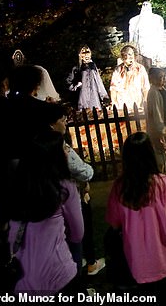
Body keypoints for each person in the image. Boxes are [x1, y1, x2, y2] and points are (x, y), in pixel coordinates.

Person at [105, 132, 166, 301]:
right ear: (150, 154)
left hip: (135, 260)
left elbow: (114, 224)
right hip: (163, 259)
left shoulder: (120, 187)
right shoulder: (163, 182)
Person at [4, 131, 85, 294]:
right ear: (54, 156)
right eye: (64, 148)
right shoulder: (63, 188)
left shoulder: (17, 188)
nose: (68, 151)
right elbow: (77, 234)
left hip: (22, 279)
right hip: (59, 275)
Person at [44, 103, 105, 277]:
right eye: (63, 120)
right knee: (76, 237)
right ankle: (84, 268)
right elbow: (83, 170)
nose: (66, 124)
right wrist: (85, 178)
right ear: (52, 124)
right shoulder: (60, 147)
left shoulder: (38, 145)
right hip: (70, 199)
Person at [146, 67, 166, 173]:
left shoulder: (162, 90)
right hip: (160, 132)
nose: (164, 79)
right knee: (161, 156)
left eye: (164, 76)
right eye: (160, 77)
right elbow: (156, 113)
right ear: (152, 79)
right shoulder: (153, 93)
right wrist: (162, 131)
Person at [66, 45, 110, 110]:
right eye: (83, 52)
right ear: (79, 55)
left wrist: (104, 97)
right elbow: (68, 83)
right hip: (82, 98)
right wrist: (76, 86)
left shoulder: (93, 66)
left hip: (94, 98)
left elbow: (99, 82)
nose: (86, 54)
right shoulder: (76, 68)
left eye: (88, 52)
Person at [109, 45, 150, 111]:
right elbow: (113, 88)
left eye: (131, 55)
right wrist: (114, 103)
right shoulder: (118, 70)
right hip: (122, 105)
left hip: (137, 104)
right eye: (126, 55)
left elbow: (146, 87)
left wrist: (145, 102)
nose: (130, 57)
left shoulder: (140, 69)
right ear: (123, 58)